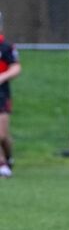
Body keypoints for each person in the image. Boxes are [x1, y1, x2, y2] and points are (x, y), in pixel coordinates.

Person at [0, 11, 21, 178]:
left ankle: (8, 157)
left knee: (2, 136)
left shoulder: (6, 47)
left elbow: (16, 68)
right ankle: (2, 164)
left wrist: (2, 77)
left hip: (2, 95)